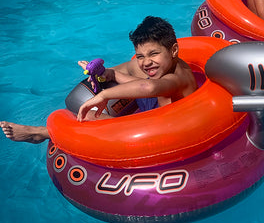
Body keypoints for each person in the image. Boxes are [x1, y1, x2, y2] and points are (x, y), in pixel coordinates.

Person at [1, 16, 197, 144]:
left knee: (87, 120)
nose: (146, 62)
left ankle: (41, 133)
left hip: (167, 132)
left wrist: (104, 95)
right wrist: (108, 74)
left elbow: (150, 86)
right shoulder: (162, 71)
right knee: (91, 111)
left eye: (153, 54)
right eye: (140, 56)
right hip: (156, 110)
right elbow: (147, 85)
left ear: (173, 51)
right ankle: (111, 77)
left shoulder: (178, 77)